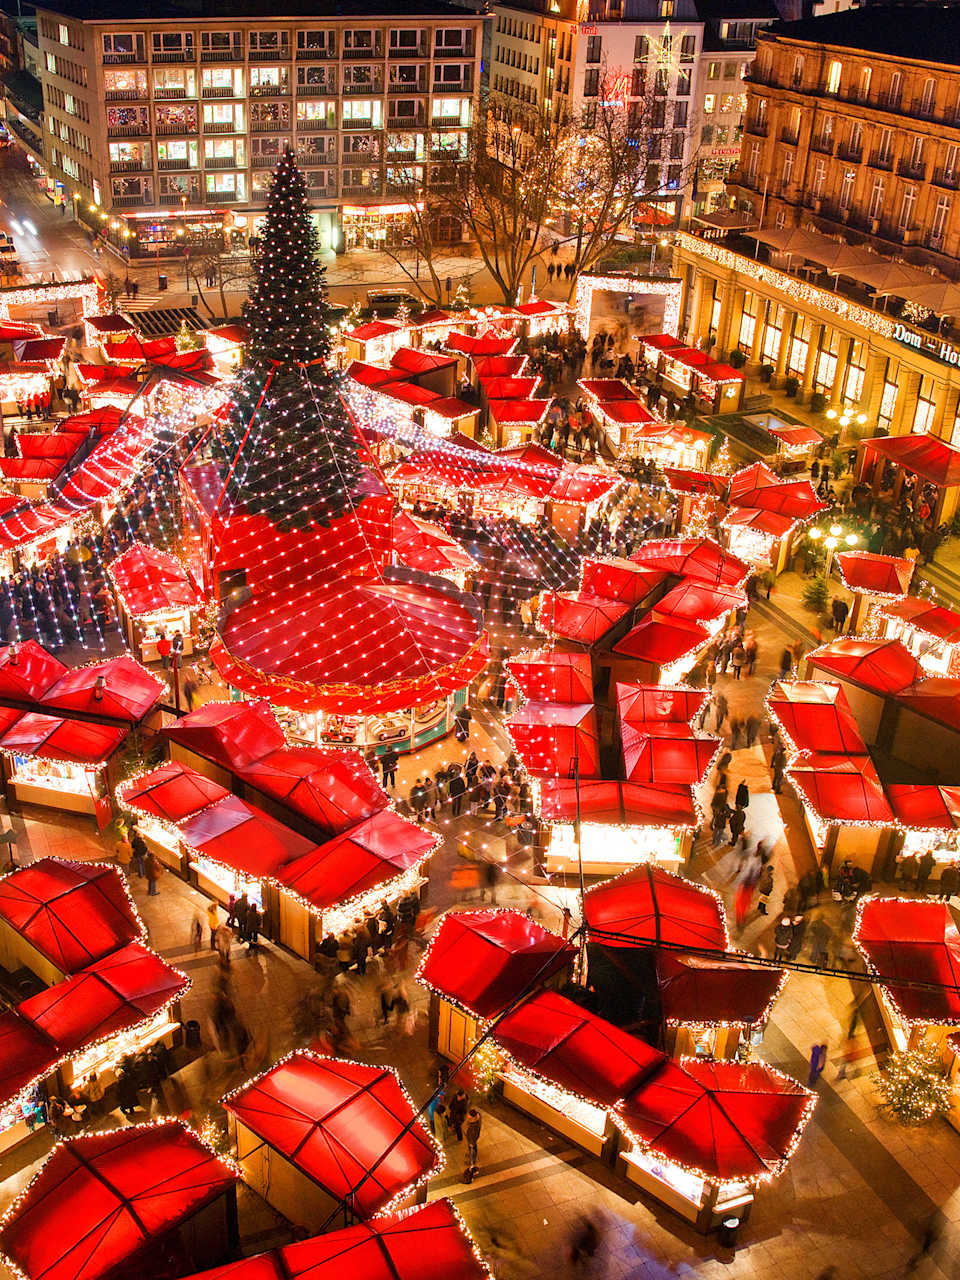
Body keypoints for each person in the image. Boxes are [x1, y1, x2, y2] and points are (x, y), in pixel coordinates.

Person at [464, 1107, 482, 1177]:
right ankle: (471, 1156)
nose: (467, 1116)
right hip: (471, 1139)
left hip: (472, 1140)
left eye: (469, 1115)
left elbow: (474, 1135)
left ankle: (472, 1162)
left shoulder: (474, 1126)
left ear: (473, 1117)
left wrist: (472, 1142)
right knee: (472, 1149)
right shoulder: (477, 1118)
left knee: (472, 1150)